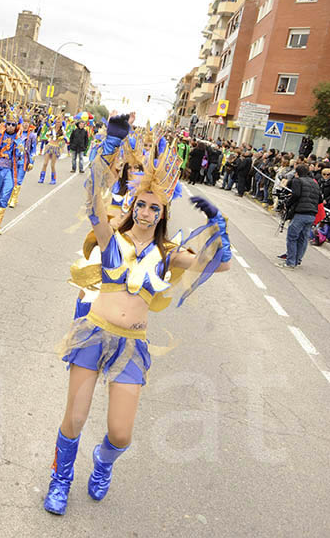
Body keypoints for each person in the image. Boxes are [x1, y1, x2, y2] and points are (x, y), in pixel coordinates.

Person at [44, 113, 233, 516]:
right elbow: (92, 194)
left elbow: (220, 266)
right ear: (133, 205)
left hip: (132, 346)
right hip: (93, 335)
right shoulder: (112, 236)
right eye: (142, 205)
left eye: (155, 208)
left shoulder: (170, 255)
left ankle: (102, 464)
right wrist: (110, 147)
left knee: (121, 434)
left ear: (163, 214)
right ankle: (60, 480)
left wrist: (220, 227)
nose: (146, 212)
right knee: (74, 419)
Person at [277, 164, 320, 269]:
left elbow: (295, 194)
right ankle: (297, 259)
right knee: (303, 238)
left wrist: (287, 203)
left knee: (292, 237)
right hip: (312, 213)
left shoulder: (298, 181)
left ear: (297, 173)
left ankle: (290, 262)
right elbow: (320, 199)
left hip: (301, 212)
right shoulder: (314, 183)